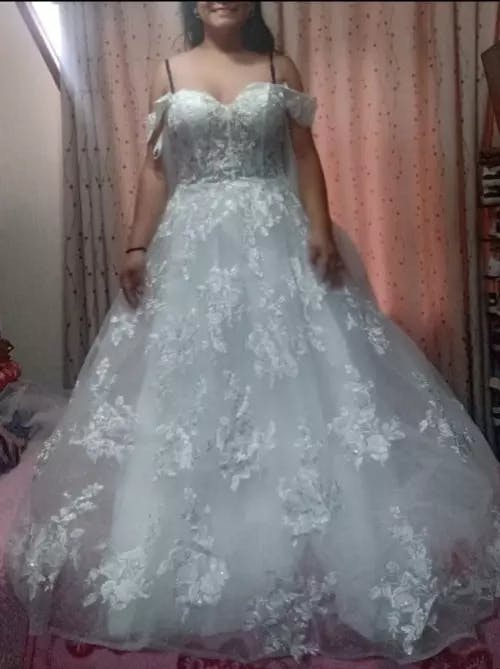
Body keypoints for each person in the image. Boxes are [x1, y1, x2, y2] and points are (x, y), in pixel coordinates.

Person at [6, 1, 500, 665]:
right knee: (188, 391)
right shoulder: (167, 71)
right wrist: (136, 245)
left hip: (276, 240)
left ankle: (304, 526)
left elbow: (305, 155)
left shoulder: (277, 66)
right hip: (192, 250)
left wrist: (320, 229)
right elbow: (157, 168)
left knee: (295, 386)